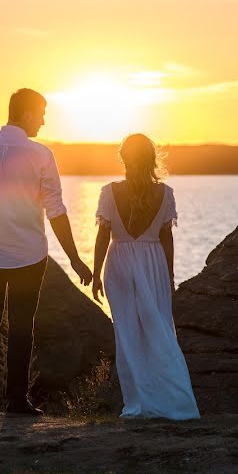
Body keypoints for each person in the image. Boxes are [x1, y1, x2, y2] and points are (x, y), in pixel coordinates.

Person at [0, 88, 93, 416]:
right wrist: (74, 258)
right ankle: (17, 401)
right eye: (42, 113)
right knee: (22, 326)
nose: (44, 121)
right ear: (27, 113)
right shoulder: (40, 154)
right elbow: (56, 210)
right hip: (29, 256)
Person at [91, 134, 200, 420]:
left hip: (119, 262)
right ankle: (167, 399)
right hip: (153, 262)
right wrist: (170, 276)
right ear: (151, 159)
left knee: (127, 334)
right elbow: (167, 239)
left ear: (123, 157)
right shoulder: (165, 193)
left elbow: (103, 235)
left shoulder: (108, 192)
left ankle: (139, 403)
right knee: (160, 331)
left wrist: (95, 273)